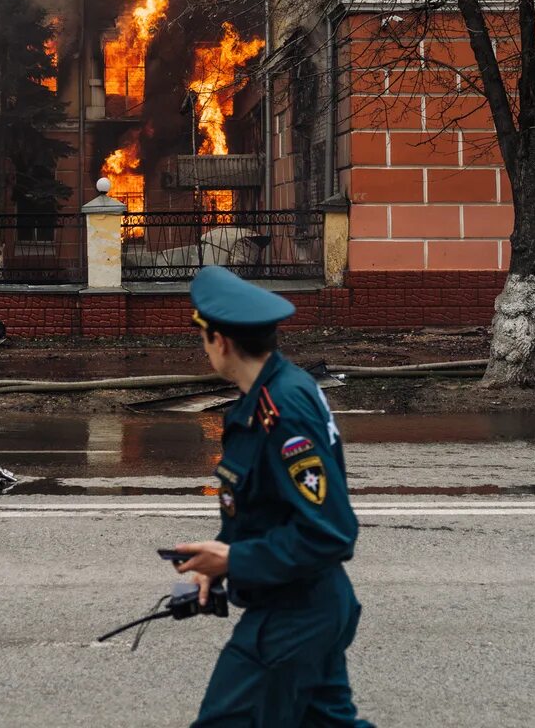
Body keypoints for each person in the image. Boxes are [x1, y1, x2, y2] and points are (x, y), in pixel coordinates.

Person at [173, 266, 372, 727]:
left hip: (293, 615)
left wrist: (235, 560)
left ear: (220, 342)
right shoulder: (276, 392)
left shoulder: (281, 412)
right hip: (311, 602)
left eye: (203, 337)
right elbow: (266, 504)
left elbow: (332, 533)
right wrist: (220, 561)